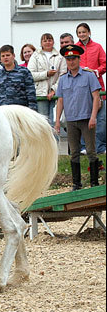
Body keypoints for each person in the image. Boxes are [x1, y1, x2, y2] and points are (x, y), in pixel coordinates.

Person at [55, 44, 101, 190]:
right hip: (71, 120)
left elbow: (96, 97)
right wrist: (57, 121)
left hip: (87, 118)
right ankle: (76, 184)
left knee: (91, 151)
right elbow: (60, 100)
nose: (71, 62)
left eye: (74, 58)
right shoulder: (63, 79)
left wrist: (93, 117)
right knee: (74, 152)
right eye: (68, 59)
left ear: (79, 59)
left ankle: (94, 182)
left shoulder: (89, 76)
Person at [76, 23, 106, 156]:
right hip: (81, 87)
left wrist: (96, 71)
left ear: (89, 32)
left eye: (84, 32)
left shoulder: (97, 47)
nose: (82, 34)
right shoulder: (75, 48)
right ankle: (84, 146)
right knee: (84, 117)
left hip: (97, 85)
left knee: (100, 119)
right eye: (79, 32)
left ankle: (99, 147)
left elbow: (104, 64)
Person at [27, 33, 67, 126]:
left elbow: (63, 75)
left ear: (53, 42)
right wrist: (46, 74)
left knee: (55, 123)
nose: (47, 42)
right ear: (41, 43)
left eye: (49, 40)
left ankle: (55, 141)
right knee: (42, 123)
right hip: (40, 93)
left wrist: (54, 90)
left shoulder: (60, 56)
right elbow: (30, 75)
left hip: (55, 94)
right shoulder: (35, 55)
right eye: (45, 40)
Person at [0, 45, 37, 110]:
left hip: (20, 111)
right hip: (3, 111)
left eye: (8, 55)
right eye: (3, 56)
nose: (5, 58)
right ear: (0, 59)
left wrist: (33, 111)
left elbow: (31, 93)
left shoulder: (24, 72)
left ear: (13, 56)